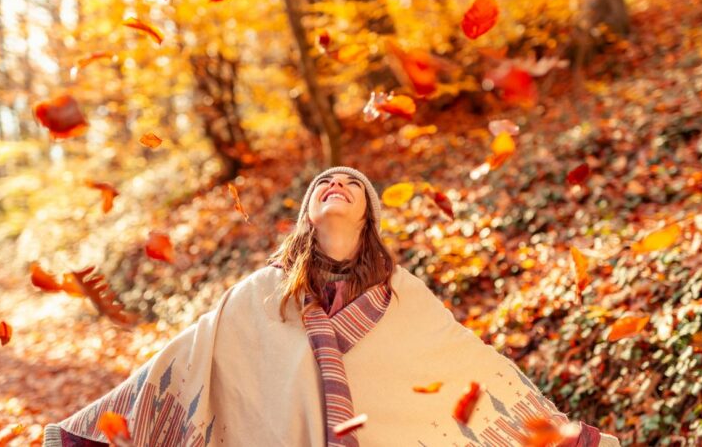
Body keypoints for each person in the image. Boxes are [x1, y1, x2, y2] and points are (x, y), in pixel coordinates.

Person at [44, 166, 620, 447]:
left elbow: (467, 366)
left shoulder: (404, 294)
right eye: (324, 184)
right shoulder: (259, 295)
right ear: (306, 215)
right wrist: (88, 432)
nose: (335, 185)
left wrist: (569, 437)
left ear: (368, 213)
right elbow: (183, 364)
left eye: (350, 183)